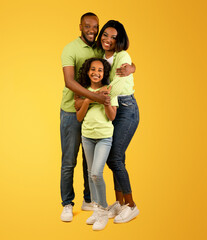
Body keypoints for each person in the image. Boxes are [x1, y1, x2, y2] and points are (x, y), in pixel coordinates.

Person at [60, 12, 135, 222]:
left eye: (96, 27)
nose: (93, 31)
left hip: (107, 109)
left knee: (95, 161)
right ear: (80, 26)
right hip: (71, 109)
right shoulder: (71, 49)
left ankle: (94, 201)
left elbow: (123, 61)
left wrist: (133, 68)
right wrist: (94, 97)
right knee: (69, 161)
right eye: (88, 26)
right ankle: (68, 203)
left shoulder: (102, 49)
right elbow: (69, 81)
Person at [95, 20, 140, 223]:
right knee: (115, 158)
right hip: (111, 107)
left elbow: (120, 85)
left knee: (115, 157)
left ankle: (132, 206)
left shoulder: (123, 56)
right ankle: (120, 203)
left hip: (126, 109)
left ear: (119, 39)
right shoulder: (100, 56)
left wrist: (98, 93)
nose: (108, 39)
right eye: (105, 34)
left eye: (113, 37)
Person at [76, 58, 117, 231]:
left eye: (100, 70)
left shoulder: (109, 90)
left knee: (96, 174)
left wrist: (106, 102)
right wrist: (89, 100)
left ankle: (103, 211)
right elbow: (79, 117)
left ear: (104, 73)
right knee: (89, 173)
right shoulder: (83, 91)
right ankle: (95, 208)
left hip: (104, 137)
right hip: (87, 136)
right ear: (87, 71)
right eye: (93, 69)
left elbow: (112, 116)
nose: (96, 73)